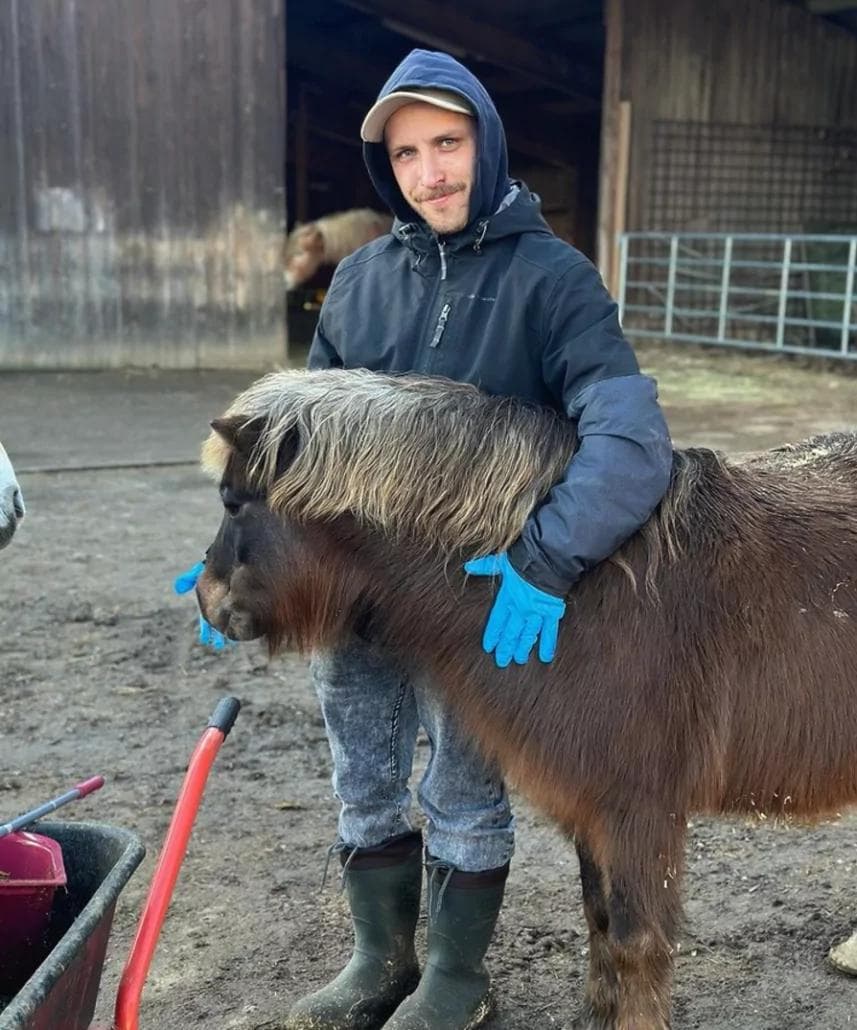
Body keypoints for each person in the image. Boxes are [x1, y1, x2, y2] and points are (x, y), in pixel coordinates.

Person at [284, 48, 673, 1030]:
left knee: (463, 790)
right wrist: (242, 553)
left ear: (484, 141)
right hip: (358, 598)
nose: (430, 171)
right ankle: (379, 959)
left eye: (446, 143)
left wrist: (543, 562)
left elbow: (631, 440)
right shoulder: (360, 281)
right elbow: (305, 438)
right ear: (389, 170)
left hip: (478, 597)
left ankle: (456, 979)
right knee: (362, 780)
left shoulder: (554, 280)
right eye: (407, 153)